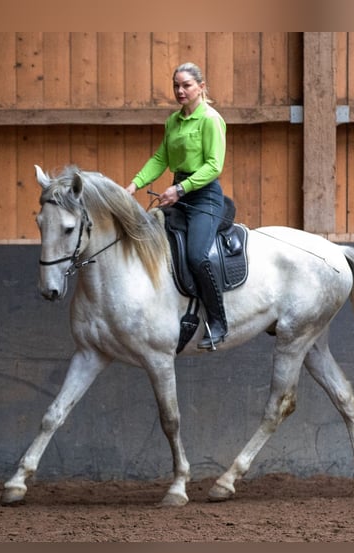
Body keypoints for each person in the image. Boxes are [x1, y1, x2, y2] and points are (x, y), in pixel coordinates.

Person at [125, 62, 228, 351]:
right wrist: (133, 186)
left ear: (201, 87)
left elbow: (214, 166)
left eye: (186, 85)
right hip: (177, 193)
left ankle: (218, 321)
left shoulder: (210, 119)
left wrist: (180, 188)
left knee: (196, 255)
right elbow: (160, 159)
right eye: (176, 86)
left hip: (203, 196)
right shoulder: (173, 121)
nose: (180, 91)